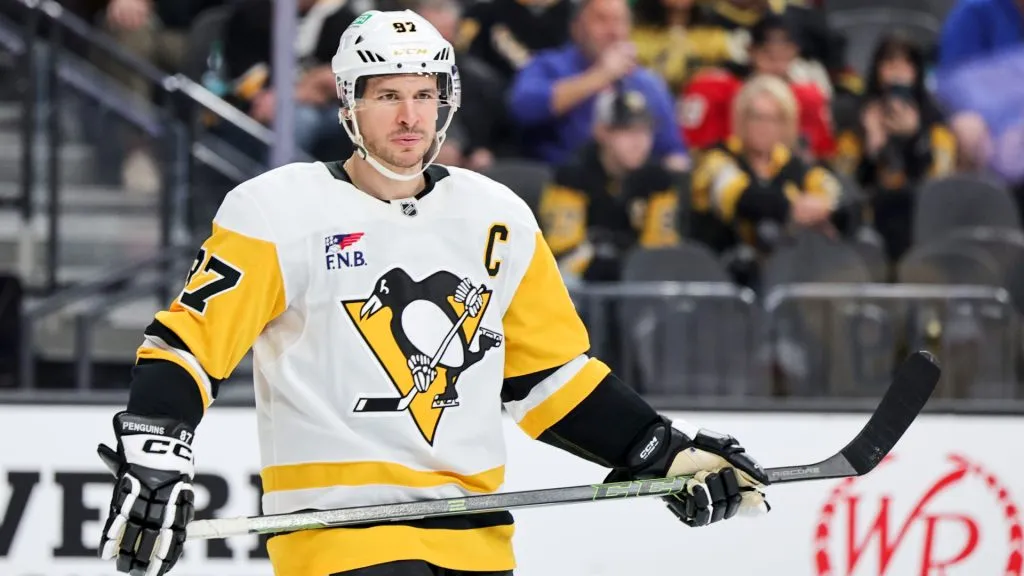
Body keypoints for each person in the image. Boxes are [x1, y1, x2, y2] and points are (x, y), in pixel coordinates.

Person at [95, 10, 770, 576]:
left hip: (474, 539)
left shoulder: (496, 215)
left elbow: (551, 379)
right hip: (340, 539)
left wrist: (659, 449)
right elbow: (188, 343)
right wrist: (158, 448)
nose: (410, 115)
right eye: (387, 95)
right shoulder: (276, 210)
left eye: (424, 94)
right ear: (349, 103)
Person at [540, 87, 681, 283]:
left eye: (645, 131)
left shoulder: (658, 180)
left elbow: (661, 247)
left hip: (638, 283)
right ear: (601, 132)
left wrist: (635, 270)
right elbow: (563, 250)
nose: (639, 142)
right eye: (626, 131)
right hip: (583, 284)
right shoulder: (572, 176)